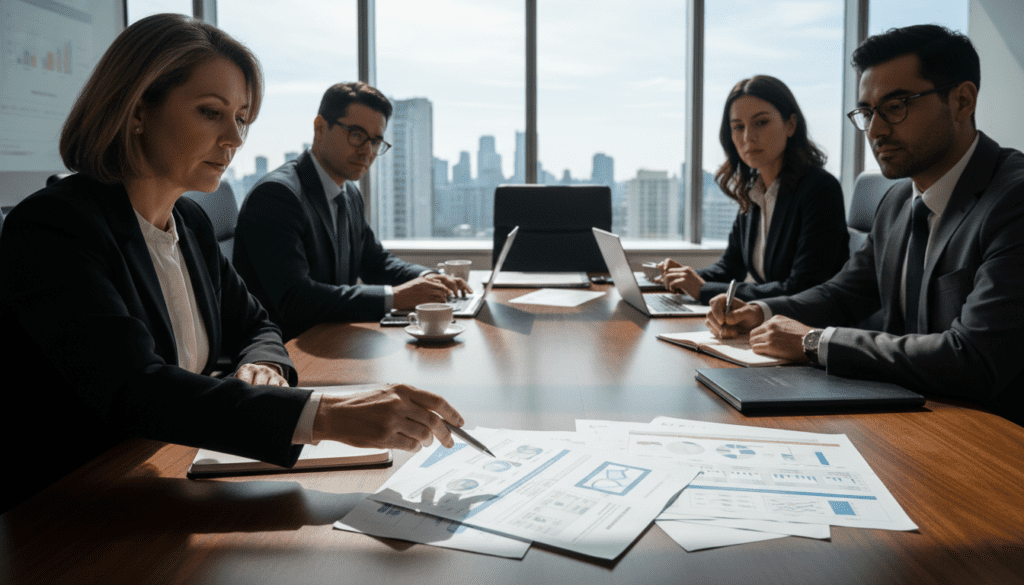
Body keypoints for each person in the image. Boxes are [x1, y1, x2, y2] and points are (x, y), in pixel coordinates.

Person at [0, 14, 464, 513]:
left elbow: (257, 322)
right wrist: (323, 414)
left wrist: (262, 362)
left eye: (241, 118)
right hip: (75, 510)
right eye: (210, 112)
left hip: (168, 475)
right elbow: (133, 389)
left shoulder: (191, 224)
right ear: (137, 110)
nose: (235, 138)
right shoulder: (53, 227)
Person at [707, 25, 1024, 426]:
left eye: (896, 106)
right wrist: (759, 310)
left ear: (962, 100)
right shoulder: (896, 202)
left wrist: (815, 342)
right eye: (867, 113)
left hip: (989, 437)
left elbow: (973, 358)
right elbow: (844, 294)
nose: (875, 130)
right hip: (903, 418)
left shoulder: (1012, 199)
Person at [233, 82, 471, 340]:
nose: (367, 151)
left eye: (376, 141)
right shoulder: (276, 196)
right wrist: (396, 297)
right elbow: (296, 300)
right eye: (356, 134)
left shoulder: (348, 193)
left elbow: (375, 262)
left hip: (331, 337)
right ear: (320, 128)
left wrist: (430, 278)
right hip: (284, 350)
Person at [656, 75, 849, 305]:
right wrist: (685, 277)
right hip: (769, 321)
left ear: (790, 125)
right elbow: (731, 266)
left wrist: (704, 290)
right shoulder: (754, 192)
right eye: (738, 127)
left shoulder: (819, 189)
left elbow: (804, 287)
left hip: (807, 329)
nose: (748, 137)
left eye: (761, 122)